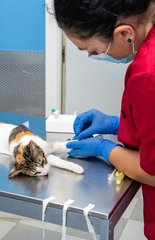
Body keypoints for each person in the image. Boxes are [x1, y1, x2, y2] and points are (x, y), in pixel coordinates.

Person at [53, 1, 155, 239]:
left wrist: (105, 149)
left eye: (94, 51)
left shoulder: (147, 74)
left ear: (125, 34)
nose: (94, 56)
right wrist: (118, 124)